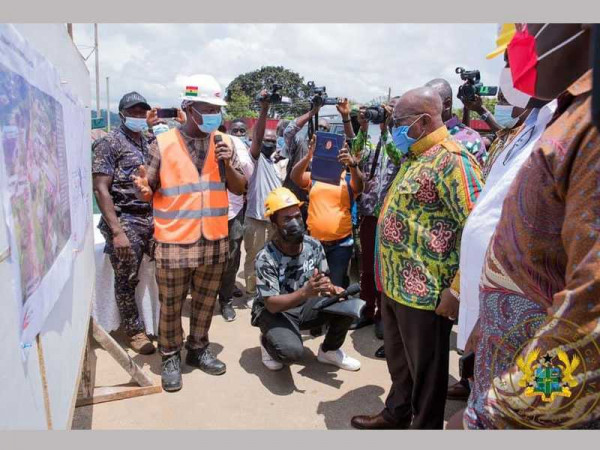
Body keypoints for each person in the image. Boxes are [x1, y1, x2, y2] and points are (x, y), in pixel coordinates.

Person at [454, 23, 600, 430]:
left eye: (525, 24)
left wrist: (499, 414)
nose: (521, 39)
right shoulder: (565, 118)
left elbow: (591, 322)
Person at [351, 86, 483, 430]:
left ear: (423, 122)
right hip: (394, 284)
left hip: (426, 293)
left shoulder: (453, 161)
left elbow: (478, 230)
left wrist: (456, 289)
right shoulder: (414, 156)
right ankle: (396, 414)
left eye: (398, 122)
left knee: (427, 372)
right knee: (399, 362)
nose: (393, 128)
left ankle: (423, 427)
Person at [132, 74, 247, 392]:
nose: (214, 114)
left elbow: (240, 188)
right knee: (171, 305)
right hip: (173, 242)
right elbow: (149, 188)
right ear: (189, 107)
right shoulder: (163, 143)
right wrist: (143, 187)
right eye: (207, 107)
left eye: (216, 108)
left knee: (205, 302)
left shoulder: (222, 143)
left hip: (212, 239)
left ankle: (198, 349)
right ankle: (170, 356)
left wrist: (230, 165)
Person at [250, 187, 361, 372]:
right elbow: (271, 304)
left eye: (297, 217)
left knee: (347, 303)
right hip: (276, 312)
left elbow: (322, 279)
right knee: (290, 353)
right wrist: (305, 292)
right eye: (287, 219)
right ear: (274, 224)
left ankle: (329, 351)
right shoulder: (266, 258)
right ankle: (267, 341)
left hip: (304, 305)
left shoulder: (313, 245)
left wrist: (332, 289)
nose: (295, 223)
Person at [92, 91, 156, 355]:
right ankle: (134, 330)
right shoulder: (109, 143)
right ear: (122, 115)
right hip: (125, 217)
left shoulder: (150, 141)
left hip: (152, 215)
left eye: (143, 113)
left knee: (163, 269)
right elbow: (101, 189)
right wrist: (117, 231)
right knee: (126, 276)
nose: (139, 117)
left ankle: (157, 320)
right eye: (134, 113)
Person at [351, 97, 403, 339]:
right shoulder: (372, 142)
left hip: (391, 217)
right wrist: (363, 127)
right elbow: (357, 153)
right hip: (369, 214)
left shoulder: (401, 143)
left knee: (386, 268)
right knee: (366, 268)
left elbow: (397, 157)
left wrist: (388, 128)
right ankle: (366, 310)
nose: (385, 113)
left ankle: (383, 316)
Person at [290, 133, 363, 289]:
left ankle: (332, 313)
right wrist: (308, 155)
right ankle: (315, 313)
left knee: (335, 286)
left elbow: (360, 187)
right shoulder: (315, 177)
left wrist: (353, 164)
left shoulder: (348, 179)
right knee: (314, 285)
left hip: (341, 246)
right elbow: (295, 177)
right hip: (314, 244)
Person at [242, 92, 283, 302]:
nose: (269, 143)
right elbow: (257, 138)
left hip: (274, 220)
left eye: (273, 140)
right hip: (256, 219)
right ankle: (251, 293)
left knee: (273, 258)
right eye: (267, 140)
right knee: (254, 257)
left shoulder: (278, 164)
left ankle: (269, 291)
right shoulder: (255, 160)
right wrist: (265, 108)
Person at [216, 128, 253, 322]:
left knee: (231, 258)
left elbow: (248, 173)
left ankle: (226, 301)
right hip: (201, 213)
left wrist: (230, 161)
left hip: (232, 211)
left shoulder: (234, 143)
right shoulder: (189, 141)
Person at [425, 78, 487, 166]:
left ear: (447, 104)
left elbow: (480, 177)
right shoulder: (419, 135)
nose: (422, 109)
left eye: (428, 104)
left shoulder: (471, 139)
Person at [283, 104, 329, 222]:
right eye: (319, 127)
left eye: (325, 129)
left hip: (316, 206)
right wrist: (311, 113)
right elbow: (288, 131)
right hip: (293, 202)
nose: (321, 131)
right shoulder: (299, 143)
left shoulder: (329, 154)